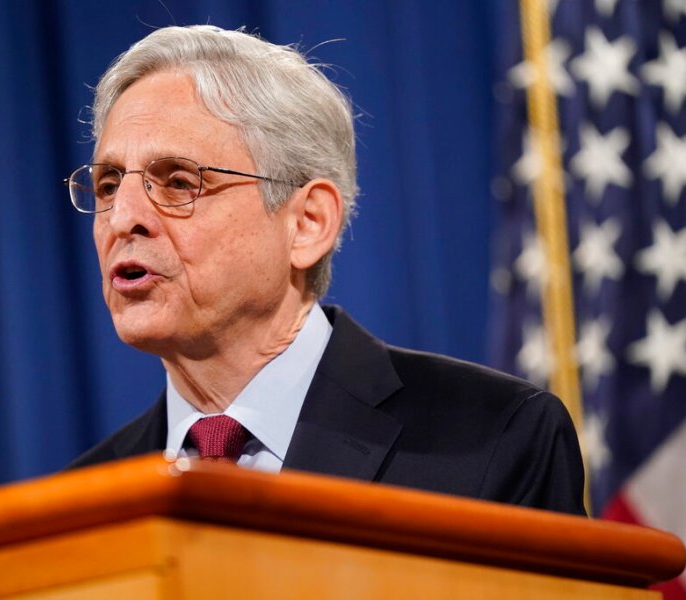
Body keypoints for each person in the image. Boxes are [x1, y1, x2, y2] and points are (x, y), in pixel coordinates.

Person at [66, 25, 586, 517]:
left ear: (308, 224)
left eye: (177, 181)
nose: (124, 218)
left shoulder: (494, 440)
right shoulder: (85, 502)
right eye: (110, 185)